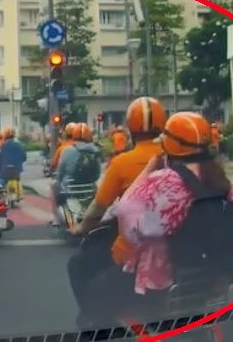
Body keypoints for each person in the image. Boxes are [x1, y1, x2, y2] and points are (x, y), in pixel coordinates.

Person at [74, 111, 233, 329]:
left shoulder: (164, 182)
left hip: (159, 285)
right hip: (209, 284)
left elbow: (129, 222)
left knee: (96, 292)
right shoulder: (222, 183)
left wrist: (149, 169)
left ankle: (100, 331)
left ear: (168, 146)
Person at [67, 97, 168, 324]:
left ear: (130, 129)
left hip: (134, 243)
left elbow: (99, 206)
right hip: (174, 241)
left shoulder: (122, 162)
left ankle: (95, 319)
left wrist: (82, 227)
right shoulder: (173, 158)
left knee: (79, 264)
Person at [52, 123, 102, 223]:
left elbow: (60, 173)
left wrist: (58, 181)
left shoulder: (66, 151)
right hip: (90, 192)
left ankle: (56, 219)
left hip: (70, 191)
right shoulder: (96, 151)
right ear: (89, 137)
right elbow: (97, 174)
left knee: (54, 187)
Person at [0, 128, 27, 196]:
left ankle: (0, 186)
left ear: (4, 136)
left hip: (5, 169)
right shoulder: (20, 145)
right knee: (17, 179)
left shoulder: (2, 146)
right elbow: (24, 157)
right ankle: (19, 193)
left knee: (0, 179)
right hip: (17, 169)